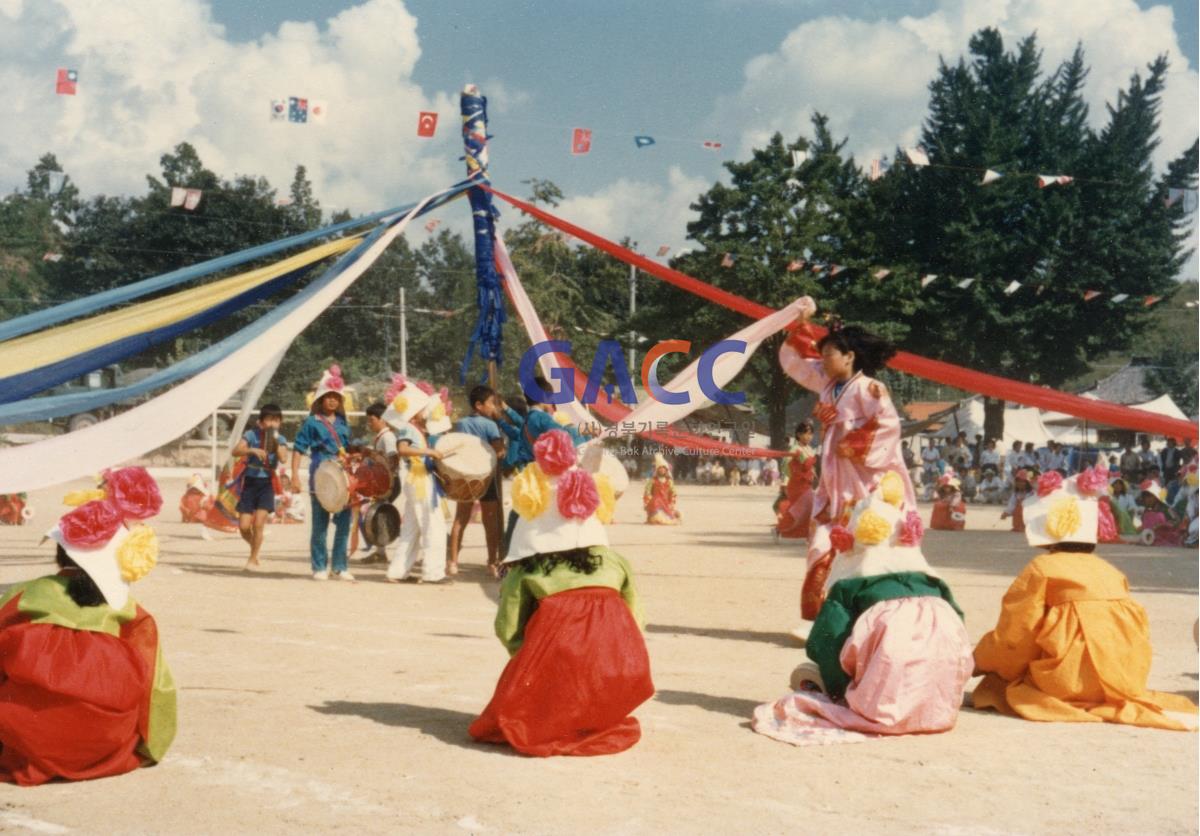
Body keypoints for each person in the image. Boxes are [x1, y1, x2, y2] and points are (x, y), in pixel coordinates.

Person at [469, 429, 653, 756]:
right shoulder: (614, 561)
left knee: (524, 688)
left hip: (557, 665)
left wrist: (531, 664)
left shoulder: (527, 569)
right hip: (617, 670)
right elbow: (635, 621)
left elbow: (508, 629)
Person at [751, 476, 972, 744]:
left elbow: (827, 643)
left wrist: (837, 688)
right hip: (941, 704)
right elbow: (958, 624)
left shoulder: (850, 586)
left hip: (884, 697)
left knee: (836, 665)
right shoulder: (935, 585)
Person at [972, 470, 1197, 730]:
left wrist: (980, 660)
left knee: (998, 687)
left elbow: (1015, 637)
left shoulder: (1042, 568)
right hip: (1123, 679)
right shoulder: (1111, 572)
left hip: (1068, 680)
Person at [0, 467, 176, 785]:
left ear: (59, 554)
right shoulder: (129, 610)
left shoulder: (23, 596)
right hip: (105, 749)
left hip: (27, 743)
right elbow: (156, 688)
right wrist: (152, 746)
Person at [777, 298, 918, 638]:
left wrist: (851, 442)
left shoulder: (870, 389)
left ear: (849, 357)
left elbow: (888, 428)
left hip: (867, 480)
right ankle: (820, 620)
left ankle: (871, 620)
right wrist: (801, 323)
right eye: (823, 355)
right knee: (823, 543)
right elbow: (798, 361)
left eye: (829, 355)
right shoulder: (826, 383)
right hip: (835, 480)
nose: (822, 361)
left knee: (869, 544)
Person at [384, 377, 452, 583]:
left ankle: (397, 571)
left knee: (411, 529)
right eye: (423, 409)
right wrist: (429, 452)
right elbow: (402, 449)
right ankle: (433, 573)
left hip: (418, 479)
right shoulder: (408, 429)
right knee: (434, 525)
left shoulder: (416, 430)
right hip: (419, 480)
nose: (427, 412)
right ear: (414, 413)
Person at [291, 366, 356, 582]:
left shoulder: (343, 423)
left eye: (336, 398)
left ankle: (339, 566)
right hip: (320, 472)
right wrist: (294, 476)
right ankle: (319, 566)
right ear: (320, 400)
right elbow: (298, 449)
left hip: (342, 473)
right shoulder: (312, 423)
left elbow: (348, 447)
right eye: (328, 397)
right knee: (320, 523)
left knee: (344, 522)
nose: (332, 401)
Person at [448, 385, 506, 577]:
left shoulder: (462, 423)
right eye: (491, 403)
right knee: (491, 521)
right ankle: (492, 561)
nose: (494, 407)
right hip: (486, 477)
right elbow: (498, 451)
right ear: (479, 405)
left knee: (460, 519)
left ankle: (453, 561)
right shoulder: (490, 425)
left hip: (465, 476)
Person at [231, 403, 289, 570]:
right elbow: (235, 451)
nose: (272, 424)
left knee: (258, 525)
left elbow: (284, 458)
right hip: (250, 482)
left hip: (267, 483)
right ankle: (255, 548)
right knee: (243, 526)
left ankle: (253, 558)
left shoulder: (281, 439)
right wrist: (251, 451)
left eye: (276, 420)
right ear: (261, 422)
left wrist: (277, 443)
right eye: (269, 420)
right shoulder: (251, 435)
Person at [776, 422, 817, 540]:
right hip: (797, 484)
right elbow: (785, 466)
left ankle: (808, 534)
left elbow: (812, 467)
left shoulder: (809, 449)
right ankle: (779, 529)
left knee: (807, 508)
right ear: (798, 434)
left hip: (807, 484)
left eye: (810, 434)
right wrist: (784, 482)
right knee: (798, 511)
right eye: (805, 433)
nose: (808, 436)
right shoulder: (795, 449)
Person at [1135, 479, 1185, 547]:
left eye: (1150, 496)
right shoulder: (1145, 511)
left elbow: (1177, 521)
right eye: (1145, 497)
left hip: (1167, 535)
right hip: (1151, 536)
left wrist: (1162, 525)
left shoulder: (1166, 509)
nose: (1148, 499)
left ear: (1156, 497)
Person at [644, 453, 681, 525]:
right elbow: (647, 492)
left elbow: (673, 493)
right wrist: (648, 502)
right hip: (655, 503)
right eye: (660, 468)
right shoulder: (652, 481)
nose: (662, 470)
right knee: (656, 502)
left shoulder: (669, 481)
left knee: (669, 517)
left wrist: (671, 503)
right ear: (657, 470)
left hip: (665, 503)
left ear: (666, 470)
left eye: (663, 468)